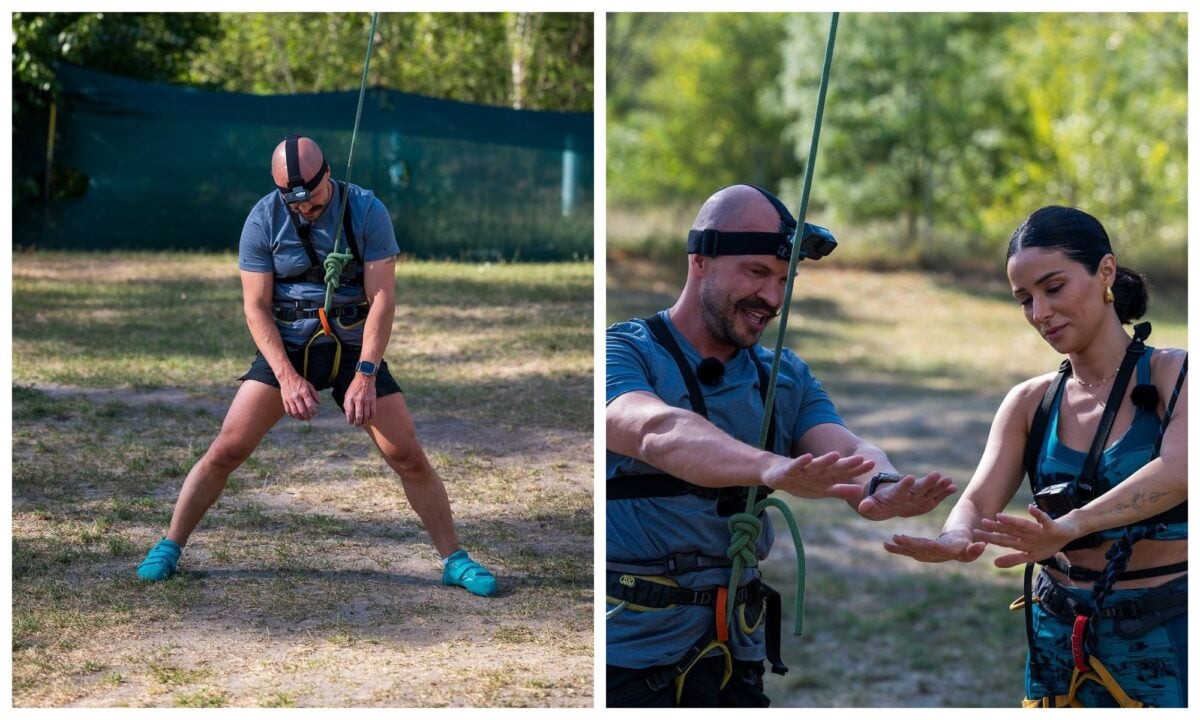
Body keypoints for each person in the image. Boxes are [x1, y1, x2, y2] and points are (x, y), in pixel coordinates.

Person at [605, 184, 957, 707]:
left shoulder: (783, 375)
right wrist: (769, 468)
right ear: (699, 260)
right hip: (625, 658)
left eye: (782, 280)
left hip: (734, 652)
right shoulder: (623, 350)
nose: (771, 299)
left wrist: (880, 482)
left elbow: (843, 445)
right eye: (756, 273)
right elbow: (654, 431)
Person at [136, 135, 497, 597]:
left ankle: (454, 559)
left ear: (328, 173)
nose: (305, 209)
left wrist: (366, 375)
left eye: (313, 198)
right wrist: (286, 377)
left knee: (406, 454)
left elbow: (382, 297)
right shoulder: (262, 218)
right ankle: (169, 545)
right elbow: (256, 307)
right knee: (228, 448)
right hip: (288, 345)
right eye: (294, 201)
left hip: (352, 347)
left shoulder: (367, 210)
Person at [886, 205, 1187, 707]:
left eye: (1053, 288)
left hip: (1166, 635)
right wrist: (956, 536)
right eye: (1024, 299)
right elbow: (979, 498)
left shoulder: (1175, 376)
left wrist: (1072, 524)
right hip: (1057, 639)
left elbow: (1180, 472)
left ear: (1105, 273)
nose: (1039, 313)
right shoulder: (1030, 402)